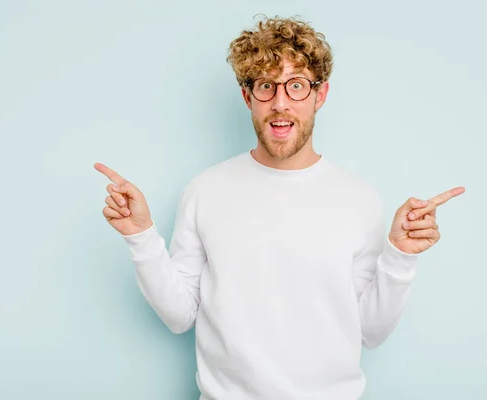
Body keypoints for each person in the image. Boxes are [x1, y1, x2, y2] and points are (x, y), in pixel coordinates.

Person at [95, 15, 464, 400]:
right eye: (267, 87)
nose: (281, 103)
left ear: (320, 95)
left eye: (297, 86)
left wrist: (400, 256)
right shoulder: (205, 191)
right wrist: (140, 237)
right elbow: (179, 316)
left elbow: (371, 331)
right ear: (247, 96)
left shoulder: (359, 199)